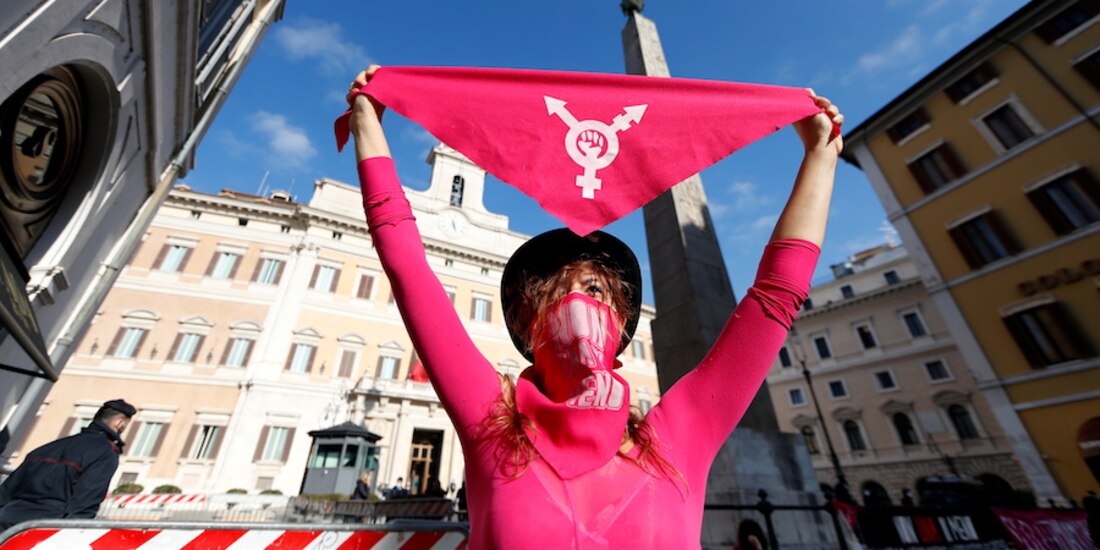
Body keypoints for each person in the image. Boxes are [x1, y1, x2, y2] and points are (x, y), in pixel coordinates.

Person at [346, 65, 842, 548]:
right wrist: (369, 124)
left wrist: (819, 158)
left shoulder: (679, 435)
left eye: (598, 291)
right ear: (525, 325)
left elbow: (776, 294)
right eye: (556, 292)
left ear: (623, 326)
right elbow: (407, 266)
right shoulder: (490, 423)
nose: (578, 302)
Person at [0, 399, 135, 530]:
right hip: (44, 527)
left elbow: (6, 491)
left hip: (7, 522)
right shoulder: (105, 452)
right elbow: (87, 499)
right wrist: (74, 531)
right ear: (120, 422)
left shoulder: (47, 448)